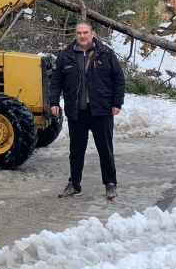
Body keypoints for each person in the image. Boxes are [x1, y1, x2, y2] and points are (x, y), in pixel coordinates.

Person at [48, 20, 125, 200]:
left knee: (105, 149)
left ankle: (110, 183)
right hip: (77, 111)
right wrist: (54, 102)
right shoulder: (66, 55)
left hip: (101, 110)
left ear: (92, 33)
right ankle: (74, 184)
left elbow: (118, 79)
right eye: (79, 33)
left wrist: (117, 103)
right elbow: (56, 81)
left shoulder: (106, 53)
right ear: (76, 35)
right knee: (76, 151)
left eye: (85, 33)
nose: (82, 36)